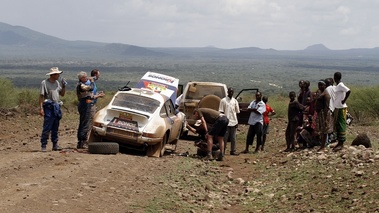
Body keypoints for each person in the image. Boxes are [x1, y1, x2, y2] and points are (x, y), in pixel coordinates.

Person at [39, 67, 66, 152]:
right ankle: (44, 144)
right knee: (47, 126)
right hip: (48, 107)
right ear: (53, 75)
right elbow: (41, 96)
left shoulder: (57, 83)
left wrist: (64, 86)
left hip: (56, 106)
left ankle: (55, 144)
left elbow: (62, 94)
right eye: (57, 74)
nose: (58, 75)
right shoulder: (44, 83)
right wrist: (41, 108)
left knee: (55, 126)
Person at [332, 72, 351, 152]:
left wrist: (344, 100)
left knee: (341, 124)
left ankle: (341, 143)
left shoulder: (340, 85)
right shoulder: (337, 86)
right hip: (337, 107)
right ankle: (339, 142)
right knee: (337, 124)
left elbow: (348, 91)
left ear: (335, 77)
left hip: (341, 107)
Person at [219, 87, 240, 155]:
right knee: (225, 138)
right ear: (227, 92)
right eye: (230, 91)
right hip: (226, 122)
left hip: (233, 122)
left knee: (233, 138)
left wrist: (237, 122)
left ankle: (233, 150)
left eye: (232, 92)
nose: (231, 93)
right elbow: (221, 112)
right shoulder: (223, 100)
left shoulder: (235, 101)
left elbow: (236, 112)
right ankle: (223, 151)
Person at [76, 71, 95, 149]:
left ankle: (81, 141)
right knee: (85, 123)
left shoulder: (82, 84)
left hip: (86, 103)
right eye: (85, 77)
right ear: (81, 78)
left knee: (84, 122)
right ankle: (82, 141)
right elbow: (91, 88)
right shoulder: (81, 85)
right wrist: (92, 82)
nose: (87, 78)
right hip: (84, 104)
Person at [85, 69, 105, 142]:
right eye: (98, 75)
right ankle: (85, 139)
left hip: (91, 104)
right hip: (90, 105)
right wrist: (99, 96)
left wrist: (98, 93)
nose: (99, 77)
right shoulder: (90, 83)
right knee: (89, 122)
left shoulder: (93, 83)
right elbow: (90, 96)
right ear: (95, 75)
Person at [314, 80, 331, 151]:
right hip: (320, 113)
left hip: (324, 113)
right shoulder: (321, 93)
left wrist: (325, 117)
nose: (320, 86)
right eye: (319, 85)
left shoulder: (326, 94)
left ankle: (323, 146)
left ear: (325, 86)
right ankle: (321, 145)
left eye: (321, 85)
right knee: (321, 129)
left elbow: (327, 106)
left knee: (324, 130)